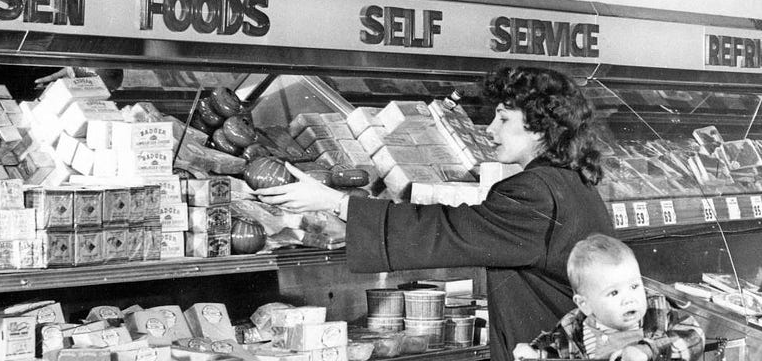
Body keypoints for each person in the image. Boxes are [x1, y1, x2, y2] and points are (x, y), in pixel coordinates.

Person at [256, 66, 614, 361]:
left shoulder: (535, 191)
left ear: (539, 125)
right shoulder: (573, 182)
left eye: (503, 118)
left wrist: (333, 201)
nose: (489, 130)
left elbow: (446, 230)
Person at [513, 234, 704, 361]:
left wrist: (648, 350)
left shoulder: (657, 314)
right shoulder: (571, 329)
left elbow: (695, 336)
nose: (629, 298)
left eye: (634, 286)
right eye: (614, 292)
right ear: (585, 304)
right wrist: (535, 354)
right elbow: (555, 352)